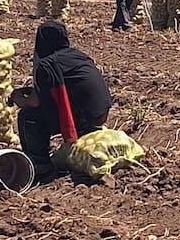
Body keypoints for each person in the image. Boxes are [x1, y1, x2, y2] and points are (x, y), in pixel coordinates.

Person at [10, 20, 113, 182]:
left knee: (28, 116)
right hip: (101, 112)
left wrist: (17, 98)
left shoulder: (47, 65)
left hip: (84, 117)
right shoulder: (77, 55)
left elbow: (35, 103)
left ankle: (41, 167)